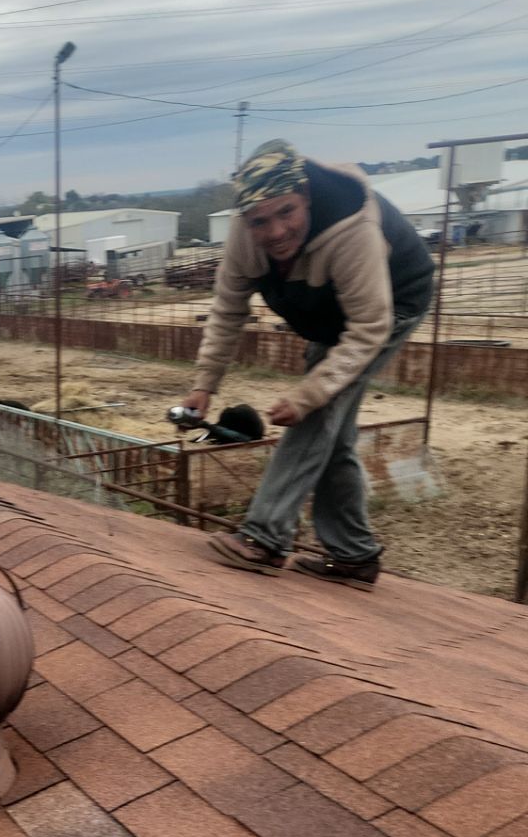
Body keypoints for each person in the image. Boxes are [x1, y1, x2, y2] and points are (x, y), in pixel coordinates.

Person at [181, 138, 434, 589]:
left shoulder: (352, 230)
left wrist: (308, 395)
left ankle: (264, 537)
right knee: (331, 435)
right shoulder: (245, 238)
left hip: (388, 305)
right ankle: (355, 555)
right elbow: (227, 310)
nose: (275, 231)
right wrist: (205, 384)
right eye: (260, 221)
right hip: (330, 315)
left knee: (317, 410)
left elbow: (368, 327)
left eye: (287, 212)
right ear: (245, 219)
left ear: (307, 199)